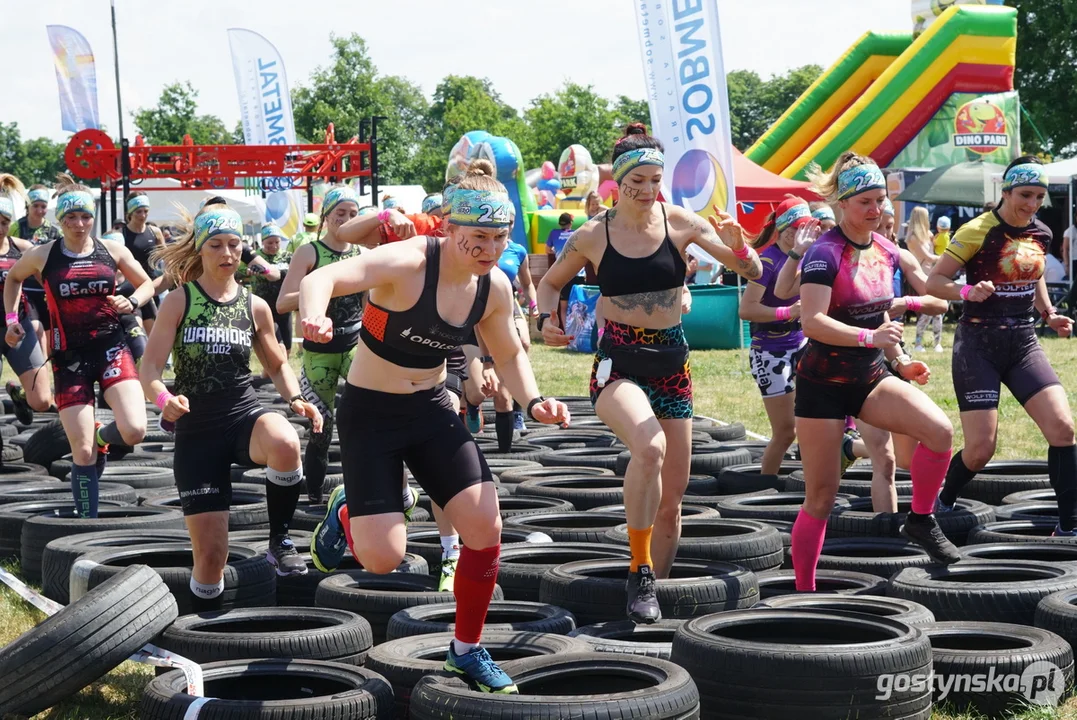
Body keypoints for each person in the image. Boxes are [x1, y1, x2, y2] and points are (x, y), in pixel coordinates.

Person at [300, 158, 570, 694]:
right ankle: (348, 508)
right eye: (479, 237)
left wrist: (534, 399)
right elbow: (322, 276)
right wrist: (315, 316)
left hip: (430, 408)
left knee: (485, 526)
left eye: (500, 237)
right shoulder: (405, 261)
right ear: (449, 226)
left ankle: (466, 651)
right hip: (370, 412)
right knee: (383, 558)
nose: (490, 249)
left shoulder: (492, 287)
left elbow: (510, 352)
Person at [538, 123, 763, 622]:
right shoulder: (593, 234)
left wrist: (739, 245)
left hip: (672, 363)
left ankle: (651, 595)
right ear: (617, 181)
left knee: (672, 501)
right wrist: (543, 318)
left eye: (654, 179)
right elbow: (551, 284)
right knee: (650, 448)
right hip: (618, 360)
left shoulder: (681, 221)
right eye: (636, 180)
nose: (646, 190)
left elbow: (754, 274)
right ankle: (637, 570)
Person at [790, 152, 961, 595]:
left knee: (940, 431)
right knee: (822, 497)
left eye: (881, 200)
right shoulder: (823, 254)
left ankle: (921, 520)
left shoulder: (887, 250)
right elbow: (812, 322)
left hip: (870, 377)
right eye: (865, 201)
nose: (876, 210)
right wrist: (872, 340)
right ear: (842, 204)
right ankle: (803, 593)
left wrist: (901, 360)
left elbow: (901, 307)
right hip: (821, 386)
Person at [141, 202, 322, 604]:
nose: (227, 253)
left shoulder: (255, 306)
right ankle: (201, 634)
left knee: (285, 440)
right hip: (198, 432)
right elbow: (149, 370)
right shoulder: (180, 300)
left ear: (244, 249)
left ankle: (279, 540)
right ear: (201, 250)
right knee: (210, 557)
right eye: (217, 245)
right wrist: (163, 398)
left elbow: (278, 364)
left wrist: (296, 399)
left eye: (235, 245)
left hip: (242, 415)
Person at [928, 157, 1076, 536]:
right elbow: (934, 281)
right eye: (1025, 195)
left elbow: (1035, 271)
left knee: (1063, 429)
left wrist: (1048, 313)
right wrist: (966, 291)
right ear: (1006, 192)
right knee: (981, 450)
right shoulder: (977, 230)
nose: (1032, 204)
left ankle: (1068, 526)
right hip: (978, 344)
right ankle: (942, 500)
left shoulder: (1040, 231)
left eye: (1040, 197)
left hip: (1023, 342)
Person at [4, 175, 153, 518]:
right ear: (61, 220)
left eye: (85, 216)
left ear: (93, 217)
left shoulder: (111, 250)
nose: (79, 224)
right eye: (71, 217)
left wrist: (132, 301)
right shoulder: (43, 255)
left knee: (134, 430)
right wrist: (13, 317)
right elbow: (13, 278)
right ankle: (86, 523)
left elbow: (145, 283)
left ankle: (105, 437)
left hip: (112, 349)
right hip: (69, 358)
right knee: (82, 451)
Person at [277, 187, 365, 506]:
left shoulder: (361, 254)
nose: (345, 220)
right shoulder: (310, 252)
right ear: (326, 216)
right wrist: (318, 291)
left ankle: (369, 492)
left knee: (370, 419)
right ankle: (313, 498)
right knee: (321, 427)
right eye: (339, 213)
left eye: (353, 214)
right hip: (318, 355)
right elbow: (282, 302)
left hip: (355, 347)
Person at [739, 197, 815, 474]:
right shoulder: (767, 261)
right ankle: (765, 486)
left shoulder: (806, 255)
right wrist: (787, 312)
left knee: (814, 425)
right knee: (785, 432)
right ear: (784, 230)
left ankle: (810, 486)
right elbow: (746, 310)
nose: (805, 234)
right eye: (799, 228)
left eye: (808, 227)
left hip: (802, 345)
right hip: (770, 352)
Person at [0, 176, 54, 424]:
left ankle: (18, 394)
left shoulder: (21, 247)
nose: (0, 228)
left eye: (4, 223)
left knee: (42, 401)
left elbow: (54, 269)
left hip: (18, 325)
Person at [489, 218, 538, 444]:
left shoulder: (518, 250)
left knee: (524, 344)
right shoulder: (486, 246)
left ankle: (518, 409)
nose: (505, 226)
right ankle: (471, 403)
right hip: (483, 306)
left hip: (510, 304)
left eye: (509, 222)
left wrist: (534, 306)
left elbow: (527, 283)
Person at [122, 192, 167, 334]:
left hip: (151, 287)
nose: (142, 215)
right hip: (131, 288)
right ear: (130, 212)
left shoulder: (155, 232)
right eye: (138, 212)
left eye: (145, 211)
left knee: (154, 333)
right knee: (136, 332)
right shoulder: (121, 233)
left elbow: (166, 257)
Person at [251, 225, 293, 358]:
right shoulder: (255, 257)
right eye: (270, 242)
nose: (274, 245)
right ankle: (271, 373)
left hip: (283, 305)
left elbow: (294, 274)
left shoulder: (288, 257)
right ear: (262, 241)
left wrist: (279, 273)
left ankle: (275, 373)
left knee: (286, 347)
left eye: (277, 242)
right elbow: (237, 274)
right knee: (270, 347)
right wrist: (248, 273)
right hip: (263, 307)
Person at [906, 207, 943, 352]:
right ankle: (918, 343)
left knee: (938, 311)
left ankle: (936, 343)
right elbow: (928, 257)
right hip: (920, 278)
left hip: (932, 276)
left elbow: (933, 254)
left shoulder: (928, 234)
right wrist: (947, 258)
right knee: (927, 312)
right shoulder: (913, 237)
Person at [545, 212, 583, 329]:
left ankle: (567, 333)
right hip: (579, 273)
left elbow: (547, 250)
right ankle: (579, 332)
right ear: (570, 223)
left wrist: (557, 252)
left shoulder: (553, 233)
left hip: (563, 273)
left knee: (564, 306)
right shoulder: (577, 233)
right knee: (579, 305)